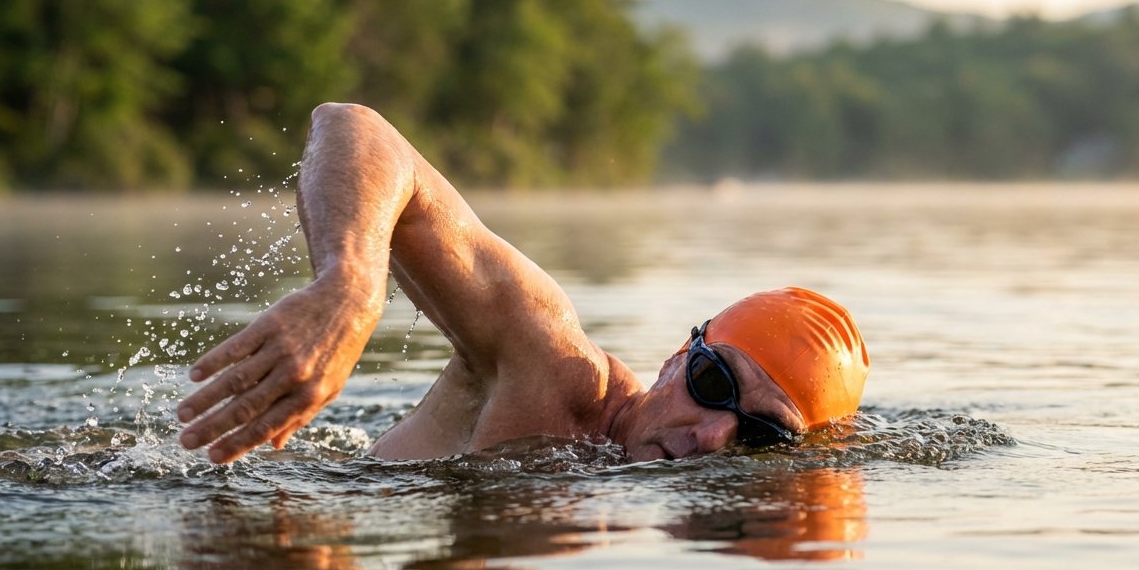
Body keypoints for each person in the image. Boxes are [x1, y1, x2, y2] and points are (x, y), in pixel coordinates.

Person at [177, 103, 870, 464]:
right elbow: (355, 128)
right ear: (675, 360)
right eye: (715, 385)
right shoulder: (548, 363)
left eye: (763, 437)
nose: (715, 437)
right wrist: (352, 287)